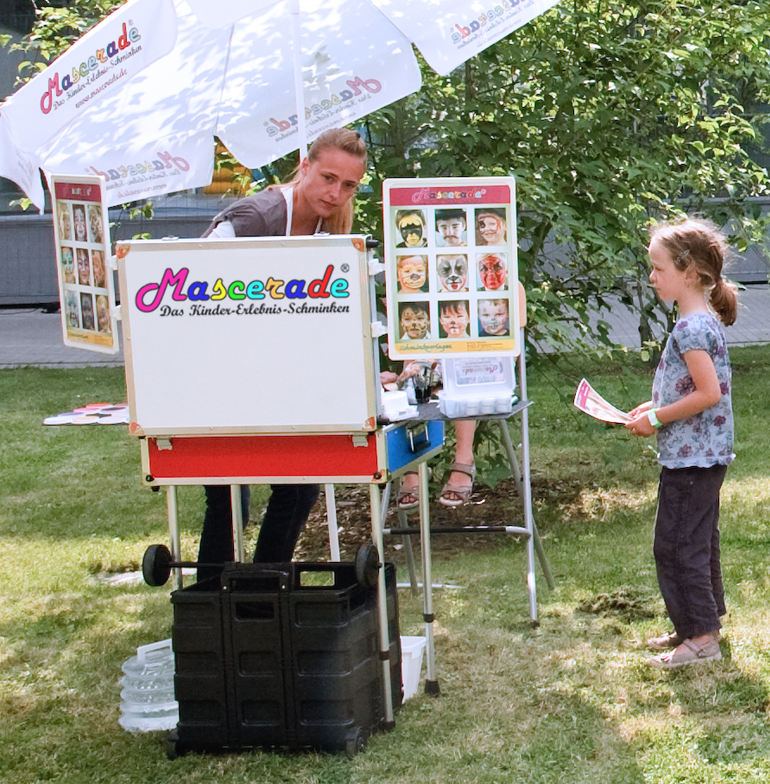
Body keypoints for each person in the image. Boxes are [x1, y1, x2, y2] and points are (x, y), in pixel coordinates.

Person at [197, 128, 367, 568]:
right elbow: (195, 288)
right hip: (221, 376)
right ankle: (212, 606)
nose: (336, 193)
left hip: (282, 381)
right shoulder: (254, 217)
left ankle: (261, 595)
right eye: (329, 178)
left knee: (298, 485)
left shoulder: (332, 228)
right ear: (304, 166)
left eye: (348, 185)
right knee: (228, 493)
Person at [625, 218, 737, 668]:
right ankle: (698, 622)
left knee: (675, 545)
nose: (652, 277)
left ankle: (701, 637)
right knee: (698, 539)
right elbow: (690, 388)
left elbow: (708, 394)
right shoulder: (699, 322)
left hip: (694, 460)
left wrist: (655, 417)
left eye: (658, 268)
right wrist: (649, 408)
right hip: (702, 456)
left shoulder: (691, 329)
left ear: (689, 272)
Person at [386, 283, 527, 508]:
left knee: (462, 379)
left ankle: (464, 458)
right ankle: (411, 462)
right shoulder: (426, 277)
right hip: (436, 359)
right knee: (413, 373)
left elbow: (507, 350)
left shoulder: (502, 280)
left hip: (484, 365)